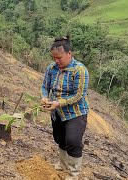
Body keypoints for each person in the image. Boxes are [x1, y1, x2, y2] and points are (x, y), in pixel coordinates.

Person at [41, 36, 89, 179]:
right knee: (59, 138)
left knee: (73, 141)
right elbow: (45, 86)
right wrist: (44, 97)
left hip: (75, 112)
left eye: (59, 58)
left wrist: (58, 102)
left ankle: (74, 173)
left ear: (69, 54)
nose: (56, 61)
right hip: (57, 111)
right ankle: (63, 164)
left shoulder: (79, 70)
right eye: (54, 57)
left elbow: (78, 95)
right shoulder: (51, 68)